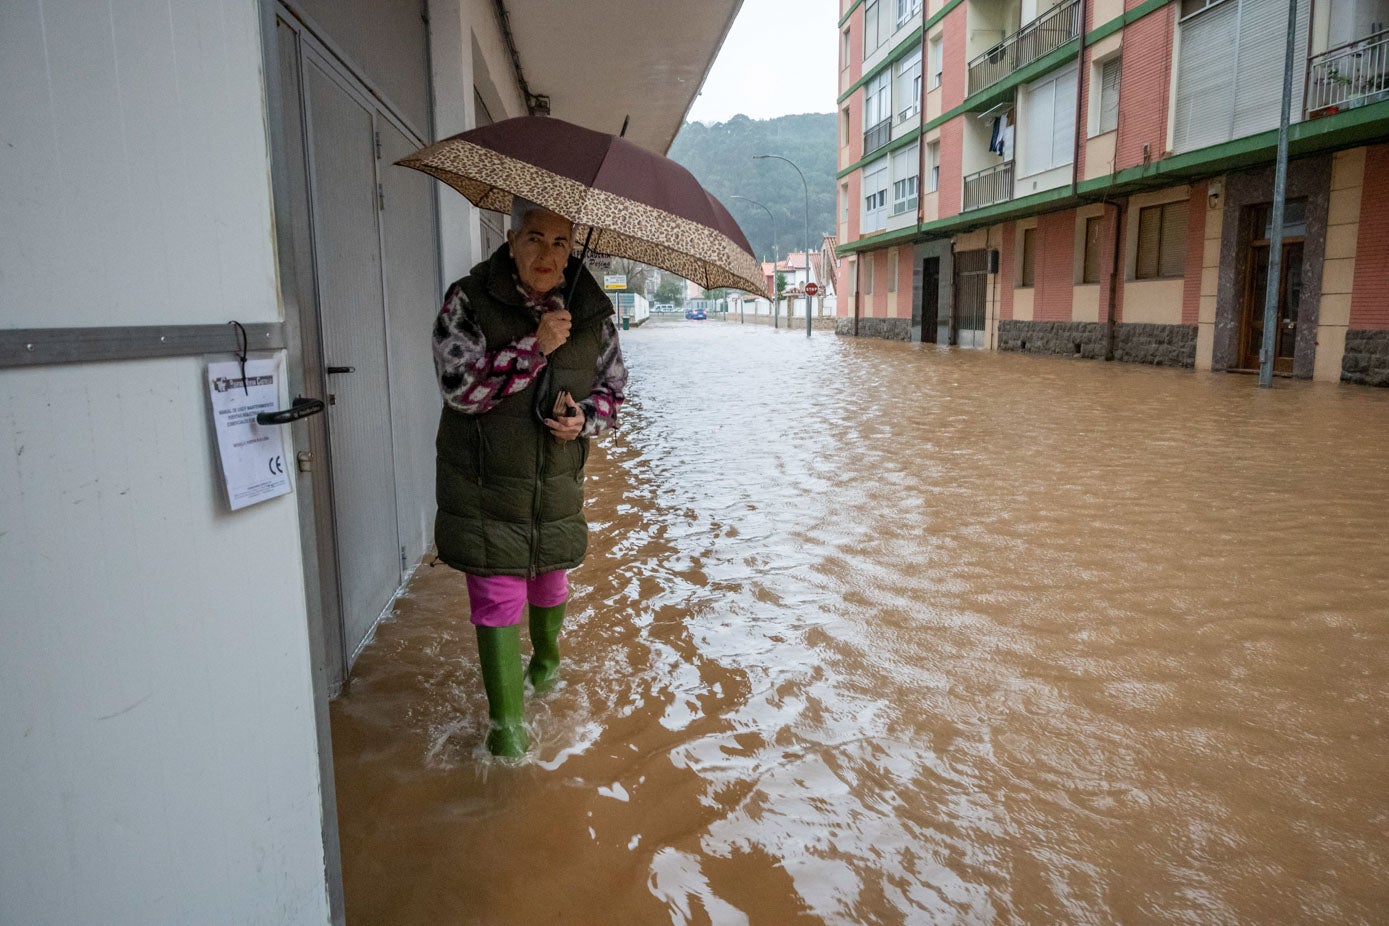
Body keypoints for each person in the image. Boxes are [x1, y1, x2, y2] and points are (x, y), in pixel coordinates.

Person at [431, 198, 627, 757]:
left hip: (556, 486)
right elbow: (461, 390)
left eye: (561, 243)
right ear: (511, 240)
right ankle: (507, 729)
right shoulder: (466, 301)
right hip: (485, 484)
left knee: (550, 582)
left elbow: (615, 390)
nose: (549, 253)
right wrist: (532, 348)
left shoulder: (593, 315)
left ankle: (546, 661)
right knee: (497, 592)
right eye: (536, 238)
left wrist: (584, 420)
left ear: (571, 254)